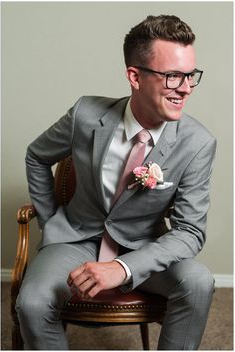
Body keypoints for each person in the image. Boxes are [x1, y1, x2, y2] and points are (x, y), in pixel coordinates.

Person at [16, 15, 217, 350]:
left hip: (144, 247)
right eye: (172, 76)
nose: (185, 88)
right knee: (32, 303)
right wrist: (51, 221)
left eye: (189, 75)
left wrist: (123, 267)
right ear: (134, 77)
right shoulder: (85, 114)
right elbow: (36, 156)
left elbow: (190, 231)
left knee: (198, 282)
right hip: (75, 238)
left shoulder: (198, 143)